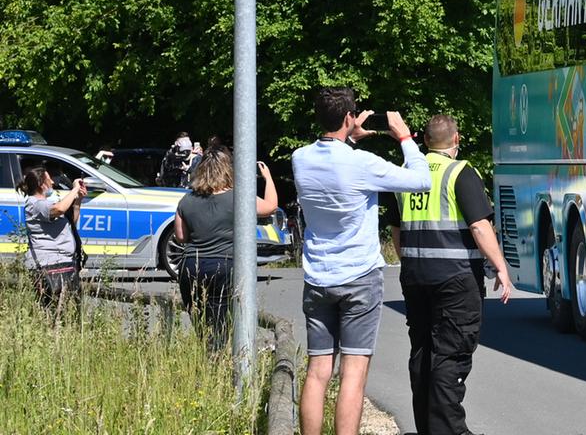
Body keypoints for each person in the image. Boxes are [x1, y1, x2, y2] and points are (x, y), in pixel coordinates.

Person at [292, 87, 431, 435]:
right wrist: (405, 137)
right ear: (350, 118)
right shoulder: (363, 164)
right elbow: (421, 179)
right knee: (353, 374)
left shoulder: (300, 158)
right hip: (358, 277)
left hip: (318, 276)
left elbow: (333, 161)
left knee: (318, 370)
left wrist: (349, 140)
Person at [384, 115, 514, 435]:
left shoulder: (405, 173)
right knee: (450, 355)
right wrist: (501, 266)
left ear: (425, 141)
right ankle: (450, 430)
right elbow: (479, 226)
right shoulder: (460, 172)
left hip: (415, 277)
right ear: (455, 140)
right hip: (455, 279)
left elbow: (396, 231)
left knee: (422, 351)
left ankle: (428, 427)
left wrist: (413, 261)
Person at [171, 145, 278, 352]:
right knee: (222, 327)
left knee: (203, 329)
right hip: (225, 266)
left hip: (191, 267)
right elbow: (270, 206)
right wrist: (268, 177)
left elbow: (181, 236)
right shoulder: (238, 197)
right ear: (228, 169)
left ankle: (209, 364)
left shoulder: (187, 200)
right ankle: (219, 367)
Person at [18, 166, 87, 315]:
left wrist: (78, 200)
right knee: (52, 313)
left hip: (63, 263)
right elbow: (60, 209)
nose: (53, 183)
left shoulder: (49, 202)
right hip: (49, 266)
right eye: (49, 179)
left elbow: (70, 222)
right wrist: (74, 189)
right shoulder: (35, 204)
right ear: (42, 184)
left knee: (67, 314)